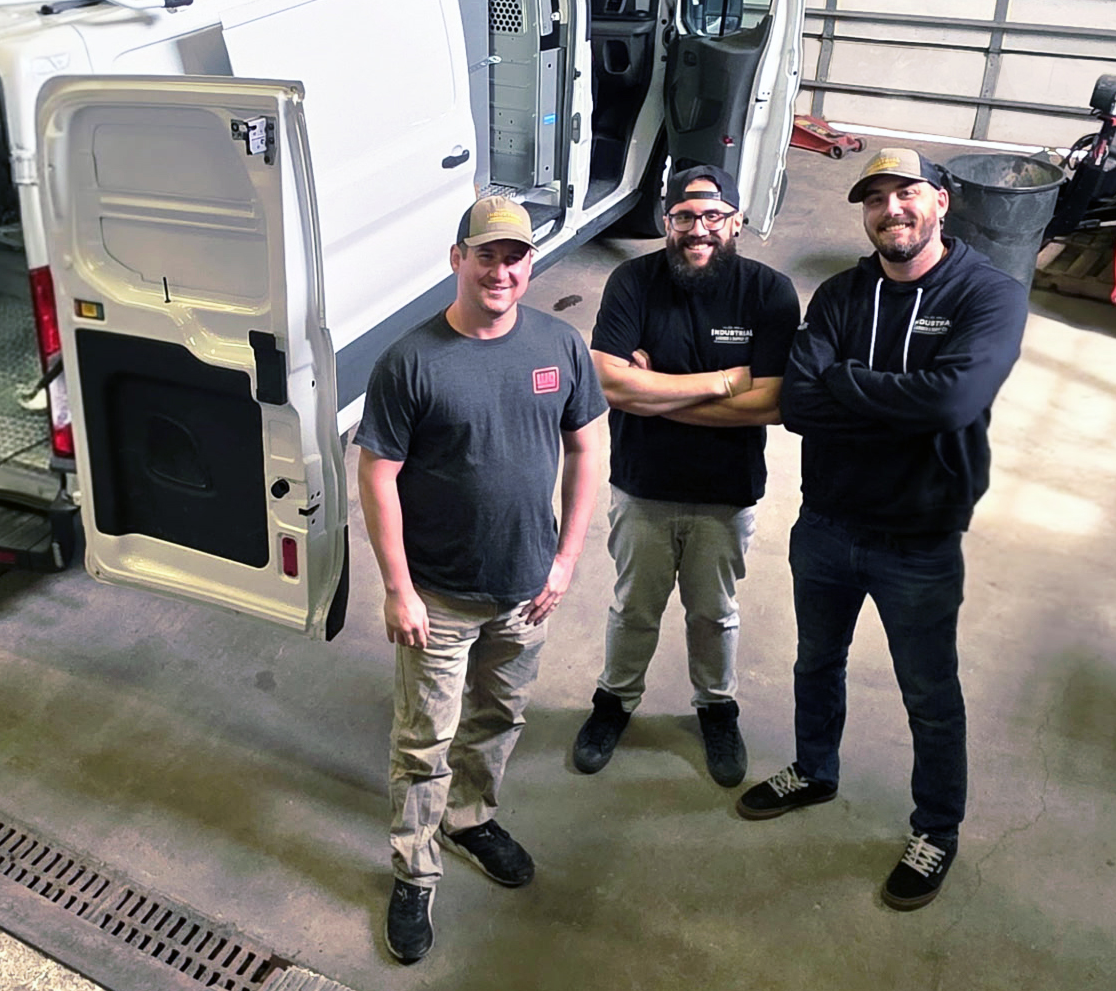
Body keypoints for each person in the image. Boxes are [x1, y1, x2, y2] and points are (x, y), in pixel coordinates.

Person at [737, 147, 1028, 912]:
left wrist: (843, 382)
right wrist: (890, 399)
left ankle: (936, 826)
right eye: (874, 199)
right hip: (827, 523)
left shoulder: (987, 294)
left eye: (905, 194)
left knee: (929, 693)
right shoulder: (837, 294)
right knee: (813, 662)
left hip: (920, 537)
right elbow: (798, 407)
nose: (889, 210)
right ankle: (814, 767)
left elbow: (949, 404)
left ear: (940, 201)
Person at [356, 194, 604, 965]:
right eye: (486, 253)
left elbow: (588, 449)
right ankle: (413, 869)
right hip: (439, 596)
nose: (501, 269)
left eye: (516, 255)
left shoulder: (559, 346)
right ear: (455, 258)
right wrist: (398, 587)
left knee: (497, 720)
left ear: (531, 264)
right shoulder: (412, 359)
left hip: (527, 592)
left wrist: (564, 561)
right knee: (424, 737)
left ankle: (469, 820)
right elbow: (377, 475)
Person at [572, 165, 800, 787]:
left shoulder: (770, 293)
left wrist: (655, 390)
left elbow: (776, 403)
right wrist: (727, 381)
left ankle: (716, 707)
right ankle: (613, 703)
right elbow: (608, 382)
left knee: (713, 611)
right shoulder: (633, 281)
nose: (698, 230)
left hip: (727, 493)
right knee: (634, 608)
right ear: (667, 222)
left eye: (712, 217)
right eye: (684, 217)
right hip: (642, 482)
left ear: (736, 222)